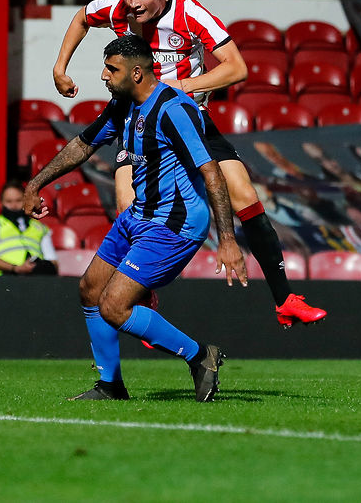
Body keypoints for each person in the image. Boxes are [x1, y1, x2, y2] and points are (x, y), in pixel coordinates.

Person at [50, 0, 327, 329]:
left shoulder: (189, 12)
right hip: (137, 120)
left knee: (245, 195)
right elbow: (82, 17)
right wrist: (59, 67)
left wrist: (182, 86)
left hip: (187, 118)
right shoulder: (117, 8)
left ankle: (284, 299)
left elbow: (237, 68)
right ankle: (141, 296)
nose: (133, 3)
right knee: (128, 203)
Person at [27, 35, 247, 402]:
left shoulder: (174, 109)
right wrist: (36, 183)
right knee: (90, 290)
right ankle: (110, 386)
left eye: (111, 69)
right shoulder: (123, 105)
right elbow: (83, 144)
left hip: (174, 223)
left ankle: (199, 356)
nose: (104, 75)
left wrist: (227, 239)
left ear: (137, 72)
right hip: (139, 215)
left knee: (114, 306)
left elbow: (211, 172)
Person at [0, 182, 58, 276]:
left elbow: (53, 262)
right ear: (1, 203)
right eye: (9, 201)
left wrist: (39, 267)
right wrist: (16, 268)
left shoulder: (41, 228)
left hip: (36, 277)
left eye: (18, 200)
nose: (14, 205)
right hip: (3, 278)